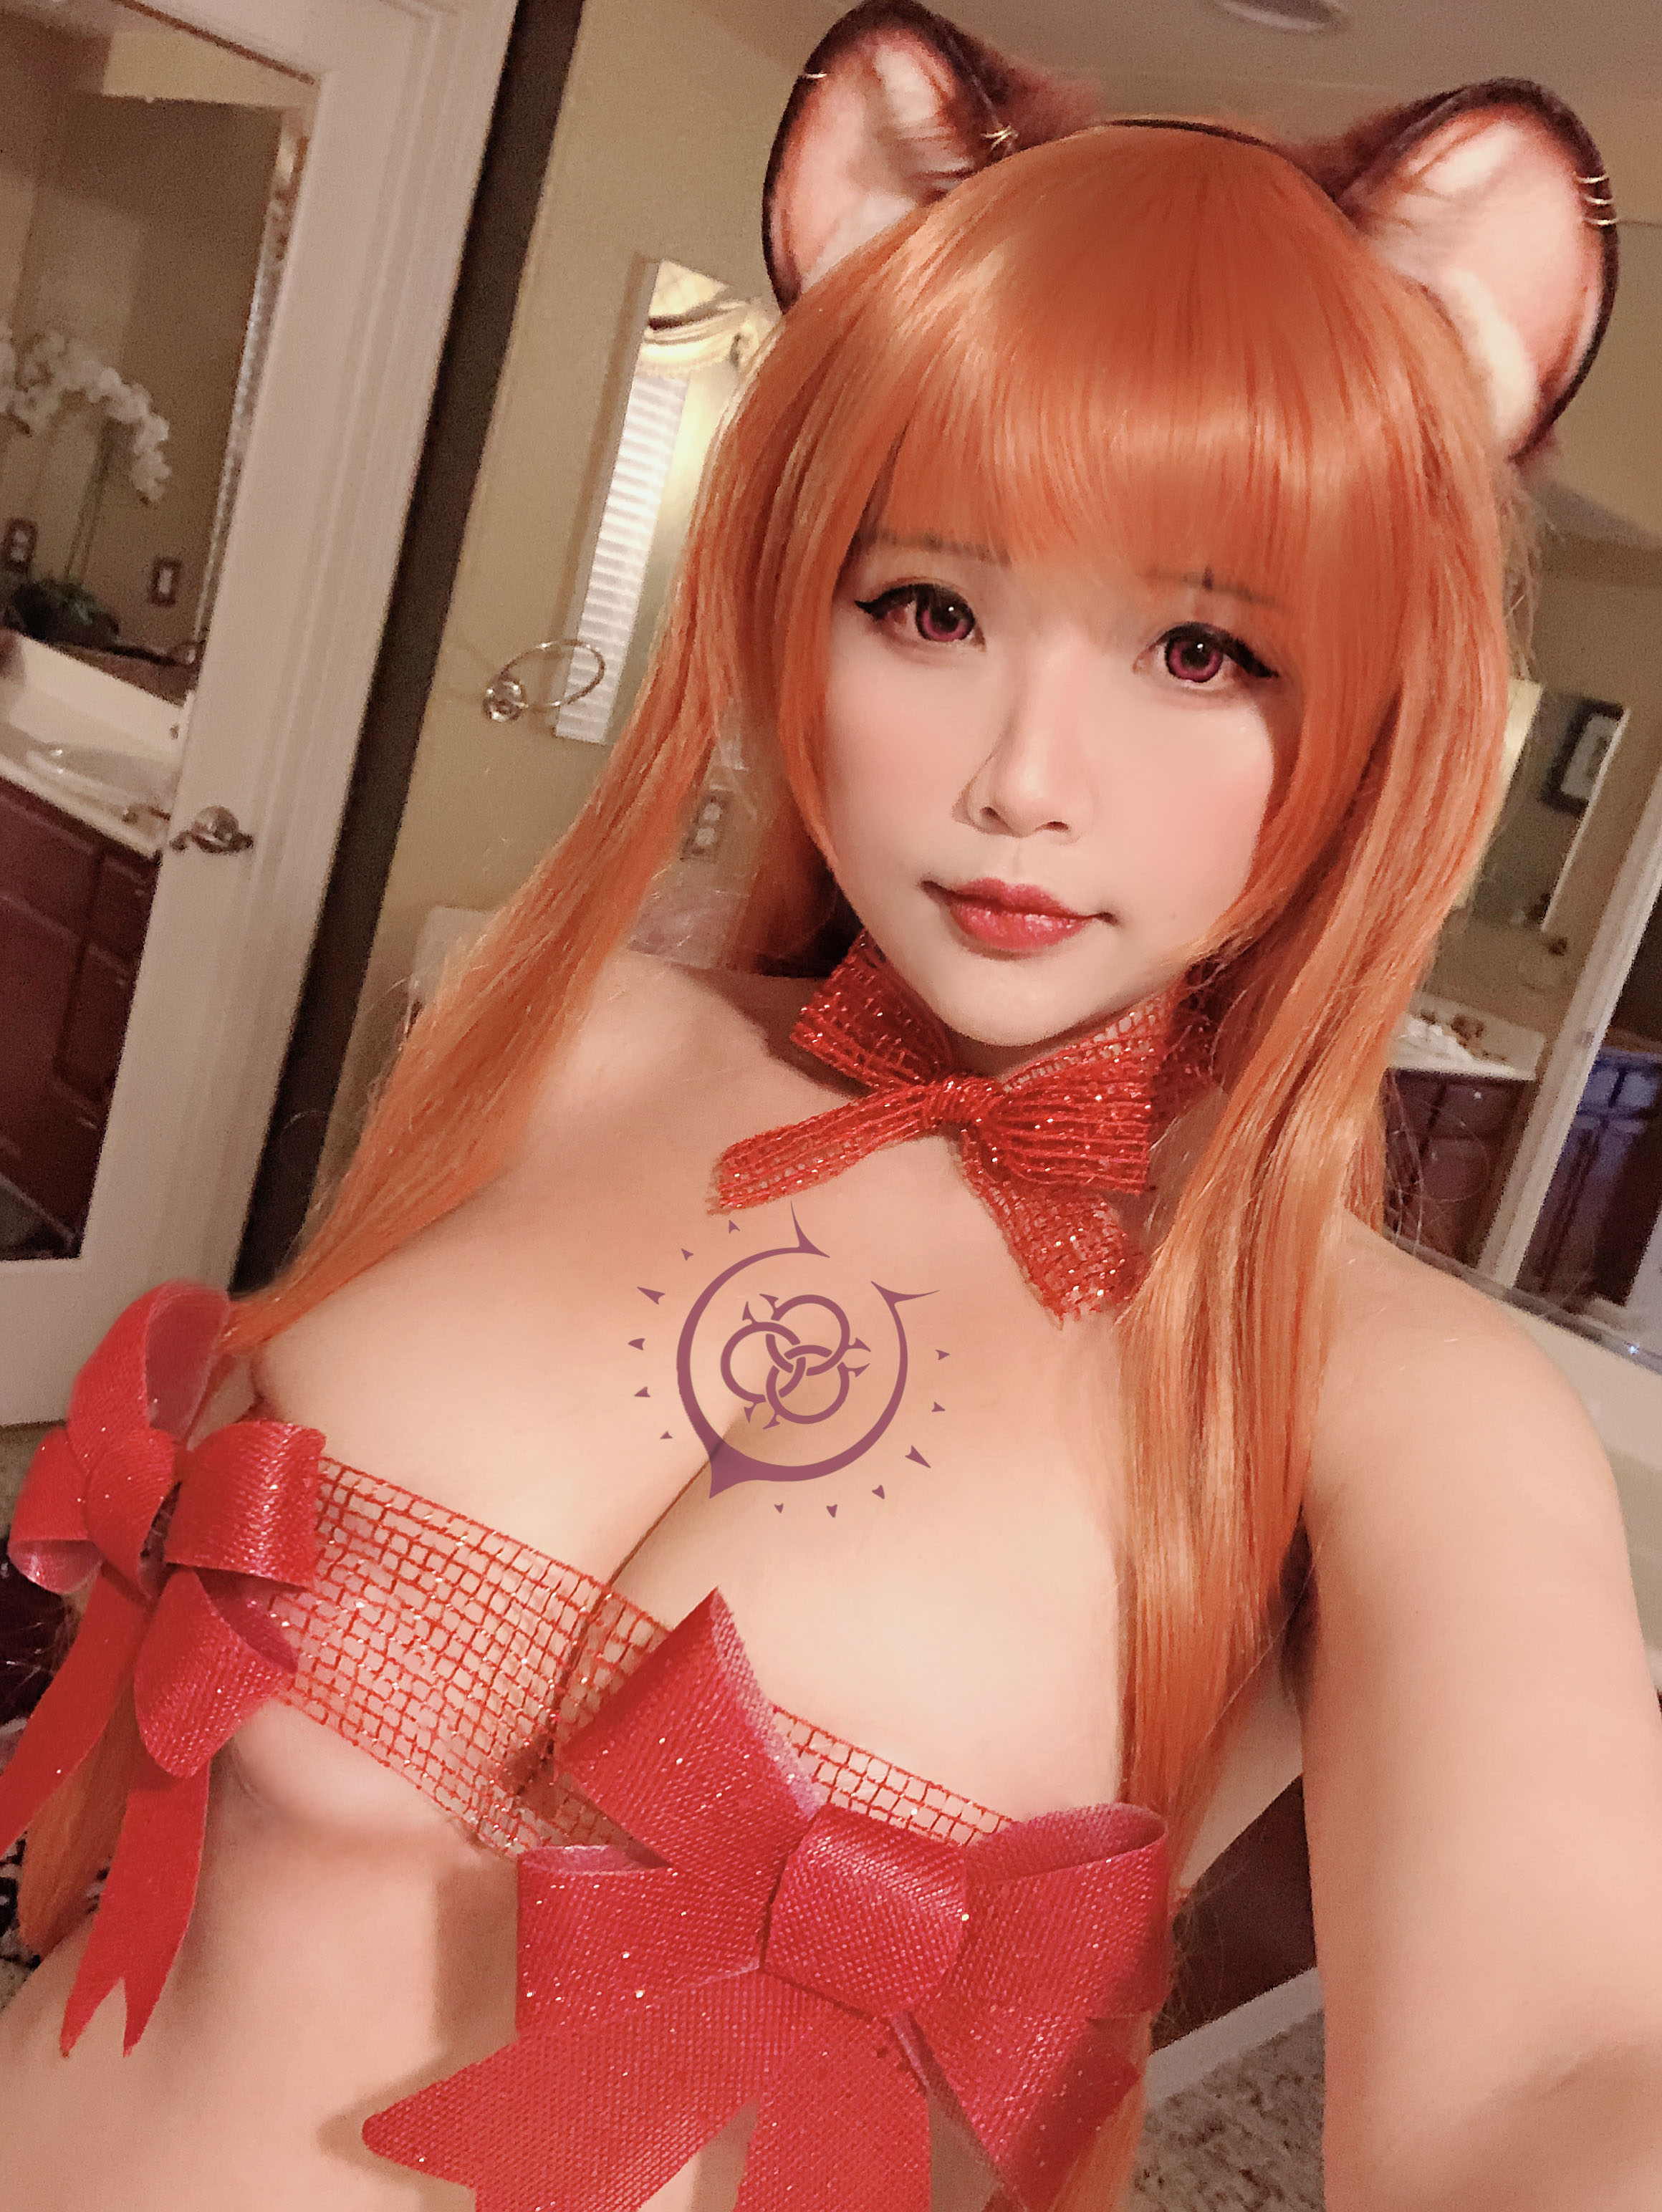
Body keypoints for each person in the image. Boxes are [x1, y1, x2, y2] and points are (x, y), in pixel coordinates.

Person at [3, 6, 1661, 2208]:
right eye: (929, 605)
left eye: (1202, 652)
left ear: (1377, 707)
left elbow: (1560, 2069)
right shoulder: (567, 1030)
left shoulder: (1386, 1396)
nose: (1021, 779)